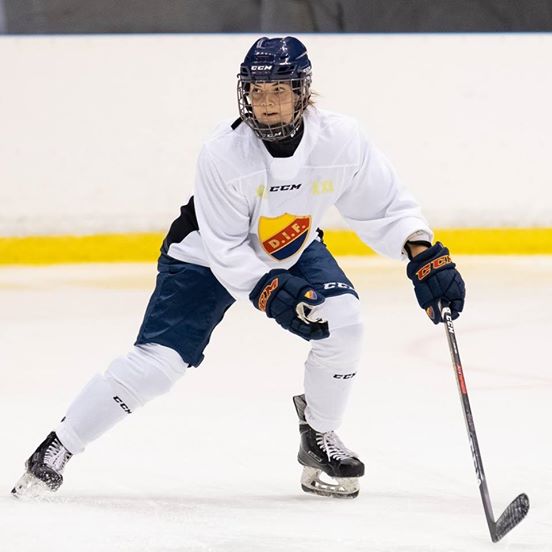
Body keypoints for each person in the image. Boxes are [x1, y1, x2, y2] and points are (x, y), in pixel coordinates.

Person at [12, 36, 465, 500]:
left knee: (344, 322)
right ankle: (58, 447)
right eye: (256, 90)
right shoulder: (223, 154)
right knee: (158, 367)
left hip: (290, 243)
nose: (265, 103)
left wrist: (422, 253)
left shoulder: (341, 139)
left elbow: (387, 205)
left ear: (302, 91)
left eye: (278, 91)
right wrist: (271, 290)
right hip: (204, 255)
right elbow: (226, 246)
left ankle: (319, 436)